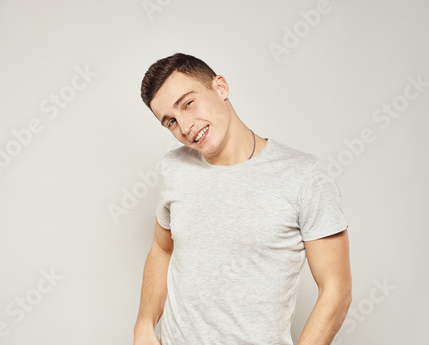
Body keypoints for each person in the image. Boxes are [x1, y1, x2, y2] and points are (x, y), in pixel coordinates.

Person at [133, 52, 352, 345]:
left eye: (188, 103)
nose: (185, 127)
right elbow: (162, 248)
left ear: (220, 87)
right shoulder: (175, 167)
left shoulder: (304, 176)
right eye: (170, 121)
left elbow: (336, 290)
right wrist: (144, 326)